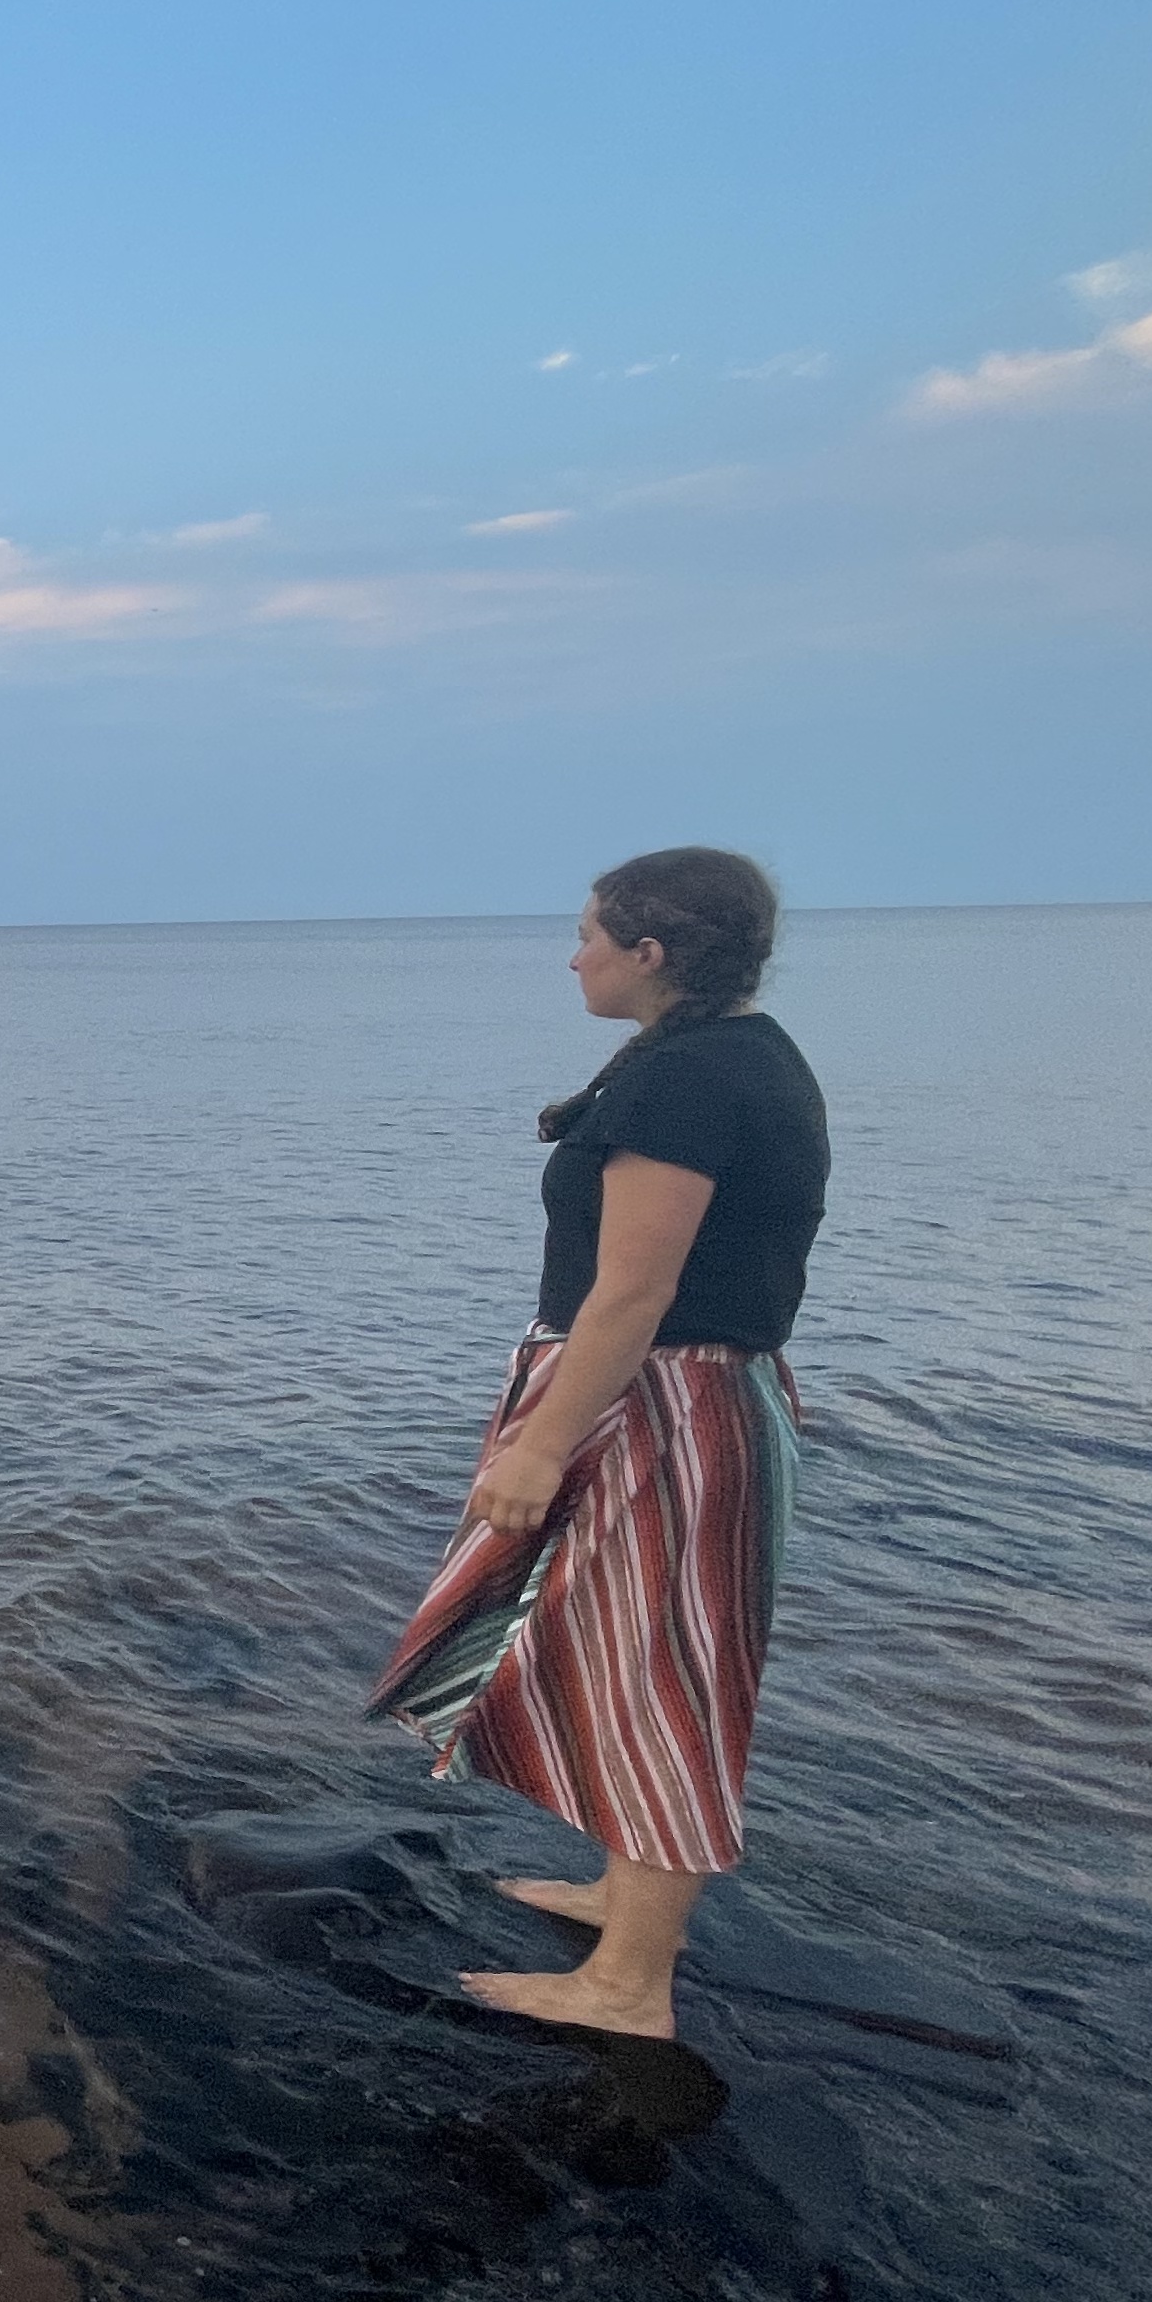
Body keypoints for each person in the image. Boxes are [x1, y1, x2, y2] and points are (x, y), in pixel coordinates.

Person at [369, 848, 829, 2038]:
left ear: (650, 954)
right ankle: (625, 1909)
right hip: (685, 1395)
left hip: (663, 1405)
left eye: (588, 935)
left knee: (667, 1678)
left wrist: (540, 1447)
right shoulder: (729, 1054)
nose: (572, 957)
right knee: (625, 1655)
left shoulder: (689, 1080)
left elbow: (633, 1293)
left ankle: (629, 1986)